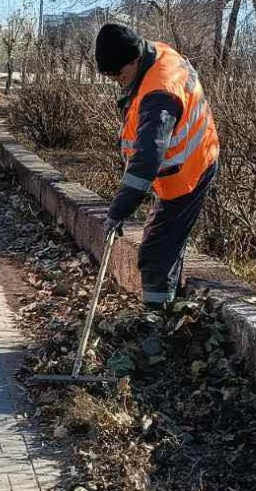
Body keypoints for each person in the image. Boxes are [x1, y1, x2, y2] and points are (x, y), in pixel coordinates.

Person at [96, 23, 219, 309]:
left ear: (134, 60)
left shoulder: (160, 93)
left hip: (189, 172)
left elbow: (148, 157)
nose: (116, 80)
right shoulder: (154, 56)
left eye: (118, 73)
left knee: (155, 252)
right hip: (181, 168)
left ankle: (156, 324)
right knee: (164, 243)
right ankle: (168, 307)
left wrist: (119, 210)